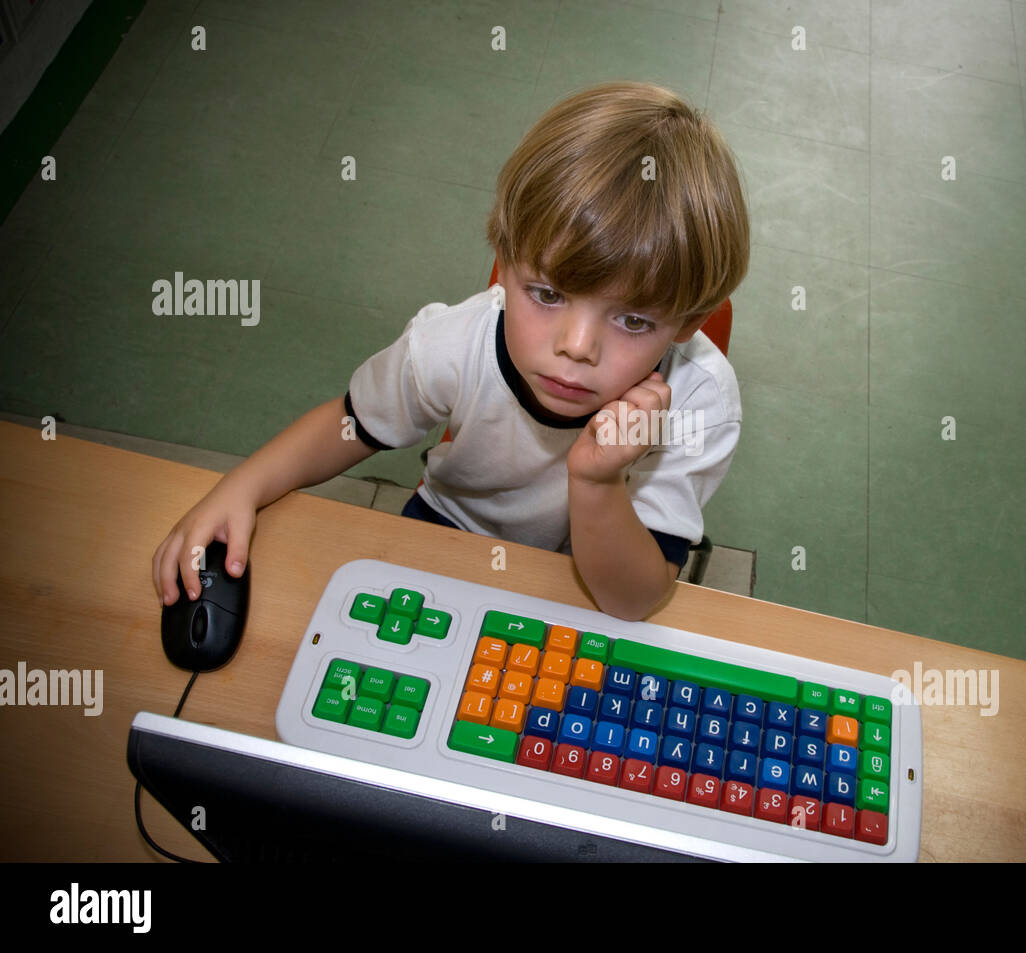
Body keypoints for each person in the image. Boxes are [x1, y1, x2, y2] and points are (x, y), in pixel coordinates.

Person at [152, 81, 750, 620]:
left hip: (604, 569)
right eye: (546, 293)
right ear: (504, 262)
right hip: (450, 526)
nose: (576, 347)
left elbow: (632, 598)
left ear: (687, 324)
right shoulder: (454, 342)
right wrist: (244, 487)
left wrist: (596, 484)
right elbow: (350, 423)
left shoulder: (700, 400)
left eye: (633, 319)